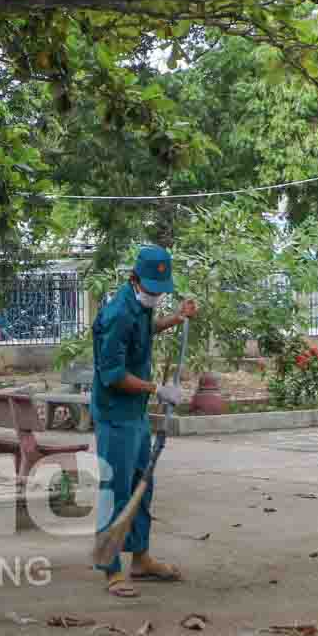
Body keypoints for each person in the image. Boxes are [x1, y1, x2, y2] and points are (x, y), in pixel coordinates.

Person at [90, 245, 197, 598]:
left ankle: (140, 557)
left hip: (134, 413)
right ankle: (110, 568)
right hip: (115, 416)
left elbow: (144, 334)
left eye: (160, 290)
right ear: (134, 279)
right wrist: (157, 389)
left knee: (142, 485)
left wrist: (176, 318)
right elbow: (113, 374)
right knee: (116, 490)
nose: (156, 296)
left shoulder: (138, 307)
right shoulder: (118, 314)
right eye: (152, 289)